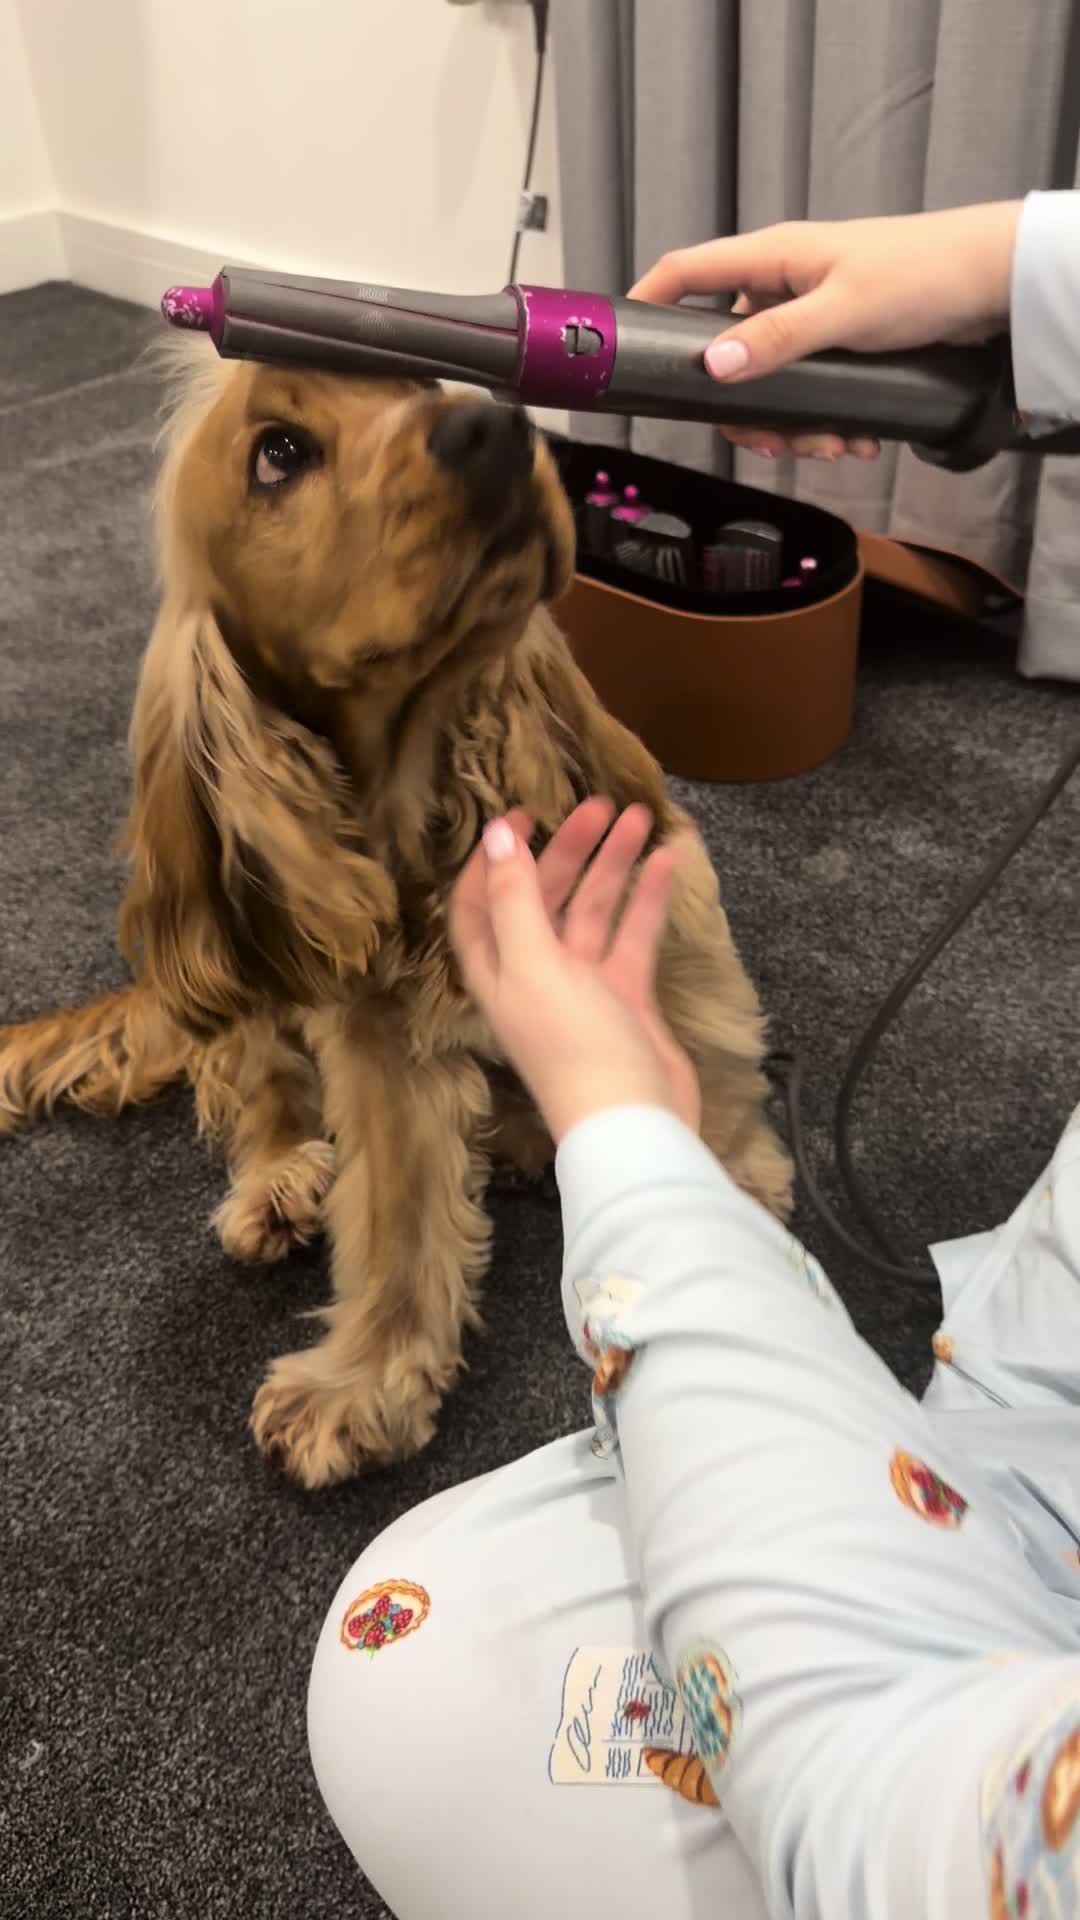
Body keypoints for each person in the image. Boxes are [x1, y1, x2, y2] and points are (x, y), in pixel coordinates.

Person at [307, 193, 1080, 1920]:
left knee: (404, 1670)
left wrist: (627, 1142)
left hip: (974, 1727)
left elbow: (916, 1810)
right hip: (1035, 1414)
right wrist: (1021, 270)